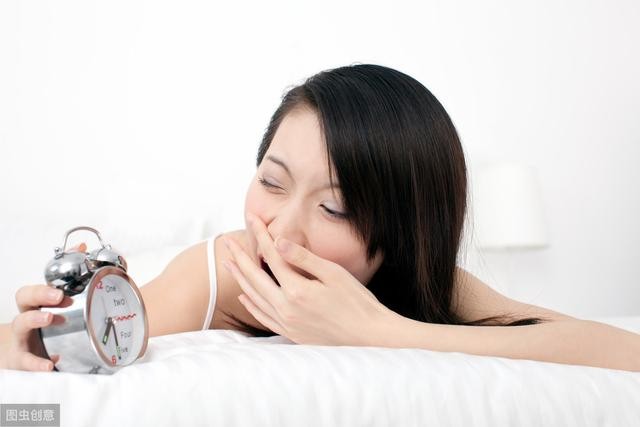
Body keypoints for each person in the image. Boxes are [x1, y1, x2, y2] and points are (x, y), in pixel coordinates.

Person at [1, 64, 638, 373]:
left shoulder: (422, 283)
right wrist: (31, 340)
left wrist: (379, 331)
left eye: (334, 207)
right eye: (271, 182)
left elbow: (616, 350)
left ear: (399, 238)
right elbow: (100, 336)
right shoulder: (224, 271)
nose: (281, 230)